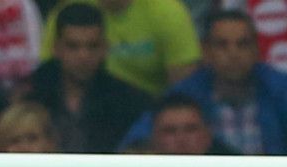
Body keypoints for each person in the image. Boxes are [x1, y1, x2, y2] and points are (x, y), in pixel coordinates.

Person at [119, 12, 287, 155]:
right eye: (222, 45)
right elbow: (134, 147)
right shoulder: (187, 92)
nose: (233, 54)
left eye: (242, 44)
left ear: (257, 50)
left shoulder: (281, 89)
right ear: (206, 51)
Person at [17, 2, 153, 154]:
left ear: (104, 48)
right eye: (73, 46)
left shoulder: (129, 103)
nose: (84, 56)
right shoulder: (33, 97)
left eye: (92, 46)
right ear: (56, 48)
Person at [40, 0, 198, 97]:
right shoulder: (69, 11)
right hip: (82, 110)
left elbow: (185, 90)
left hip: (148, 113)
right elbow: (46, 74)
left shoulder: (167, 12)